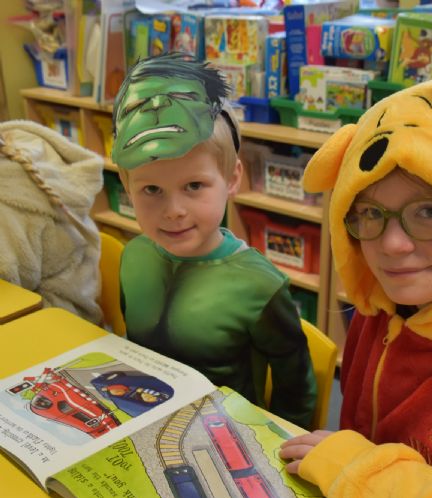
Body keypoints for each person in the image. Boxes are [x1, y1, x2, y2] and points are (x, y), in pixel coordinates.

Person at [279, 42, 432, 497]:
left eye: (429, 212)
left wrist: (362, 474)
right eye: (370, 213)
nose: (392, 246)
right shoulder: (380, 310)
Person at [111, 53, 317, 428]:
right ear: (127, 187)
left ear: (232, 179)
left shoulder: (260, 285)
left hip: (226, 435)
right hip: (143, 422)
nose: (173, 211)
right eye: (152, 189)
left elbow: (296, 391)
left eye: (194, 186)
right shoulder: (133, 256)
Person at [0, 120, 103, 324]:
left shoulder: (8, 204)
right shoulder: (20, 141)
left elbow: (10, 286)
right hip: (67, 301)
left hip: (61, 320)